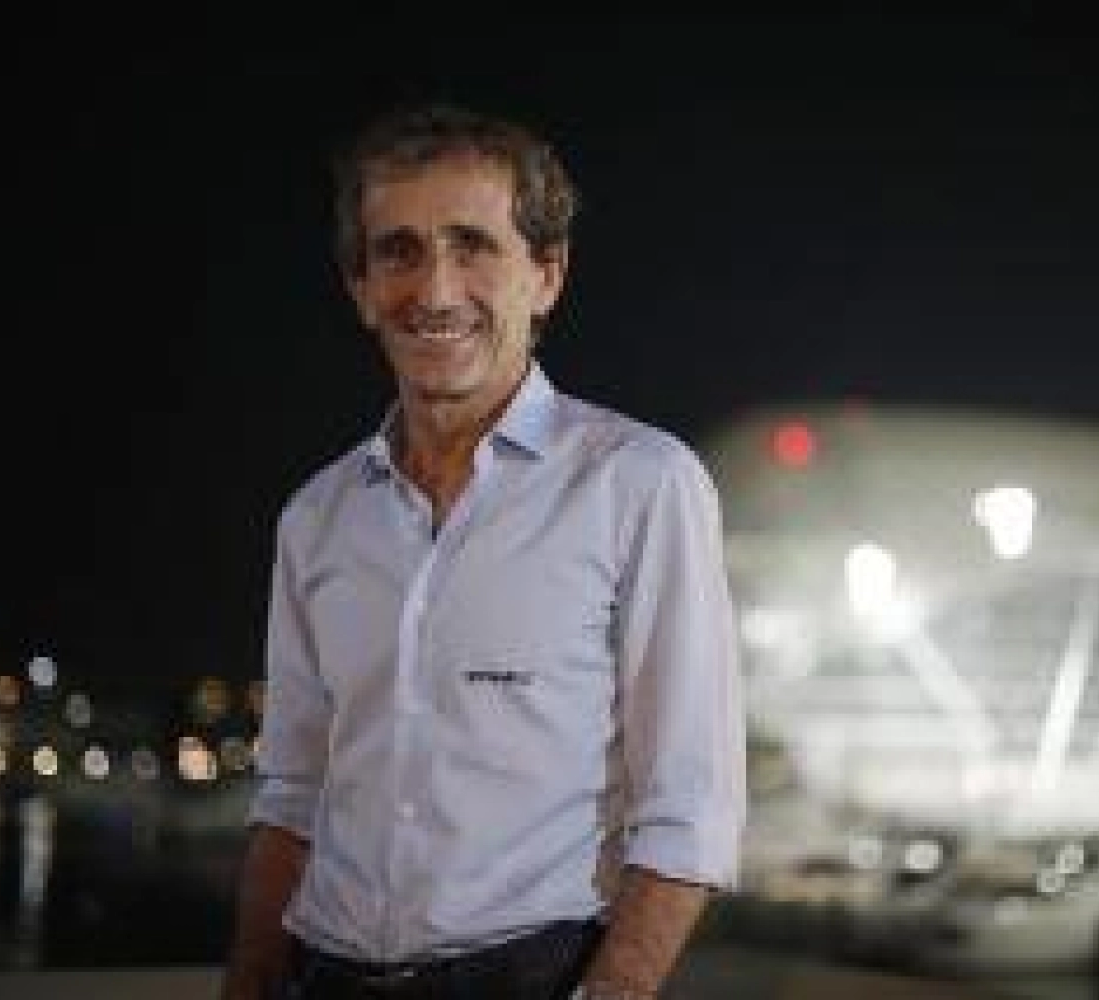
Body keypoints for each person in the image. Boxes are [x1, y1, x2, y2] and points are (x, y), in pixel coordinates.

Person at [220, 102, 746, 1000]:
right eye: (399, 251)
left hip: (531, 975)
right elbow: (294, 793)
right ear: (358, 288)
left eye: (473, 246)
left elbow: (689, 808)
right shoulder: (319, 515)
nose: (433, 291)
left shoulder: (639, 484)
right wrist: (251, 978)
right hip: (323, 976)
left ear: (546, 275)